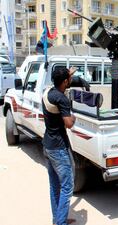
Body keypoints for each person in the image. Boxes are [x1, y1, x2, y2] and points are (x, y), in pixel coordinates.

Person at [42, 67, 76, 225]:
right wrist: (73, 117)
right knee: (67, 186)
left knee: (54, 185)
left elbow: (62, 80)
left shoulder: (48, 92)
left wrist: (68, 73)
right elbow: (69, 124)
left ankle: (58, 219)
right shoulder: (62, 99)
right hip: (58, 148)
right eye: (68, 79)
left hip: (47, 144)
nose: (70, 80)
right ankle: (60, 223)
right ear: (64, 81)